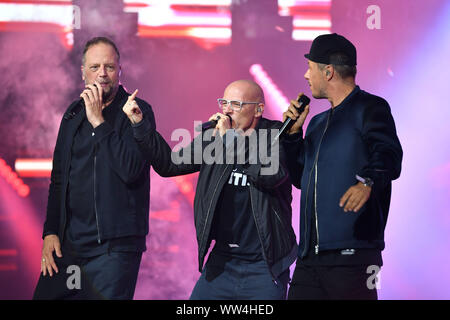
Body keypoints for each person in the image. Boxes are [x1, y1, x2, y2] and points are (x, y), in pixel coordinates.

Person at [123, 80, 298, 300]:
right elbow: (169, 164)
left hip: (264, 266)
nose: (227, 110)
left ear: (258, 109)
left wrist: (229, 140)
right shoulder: (214, 139)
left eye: (236, 104)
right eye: (224, 103)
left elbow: (270, 175)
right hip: (222, 262)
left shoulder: (275, 136)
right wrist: (140, 124)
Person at [282, 33, 403, 300]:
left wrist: (367, 182)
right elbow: (301, 177)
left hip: (353, 257)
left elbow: (389, 154)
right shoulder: (316, 122)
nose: (305, 75)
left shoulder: (370, 108)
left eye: (310, 67)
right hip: (309, 258)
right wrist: (292, 136)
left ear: (328, 72)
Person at [33, 37, 155, 299]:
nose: (102, 73)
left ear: (120, 71)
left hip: (113, 250)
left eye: (109, 67)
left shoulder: (137, 111)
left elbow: (131, 169)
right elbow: (59, 179)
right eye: (95, 66)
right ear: (83, 72)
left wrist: (99, 122)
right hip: (71, 246)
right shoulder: (73, 114)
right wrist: (51, 231)